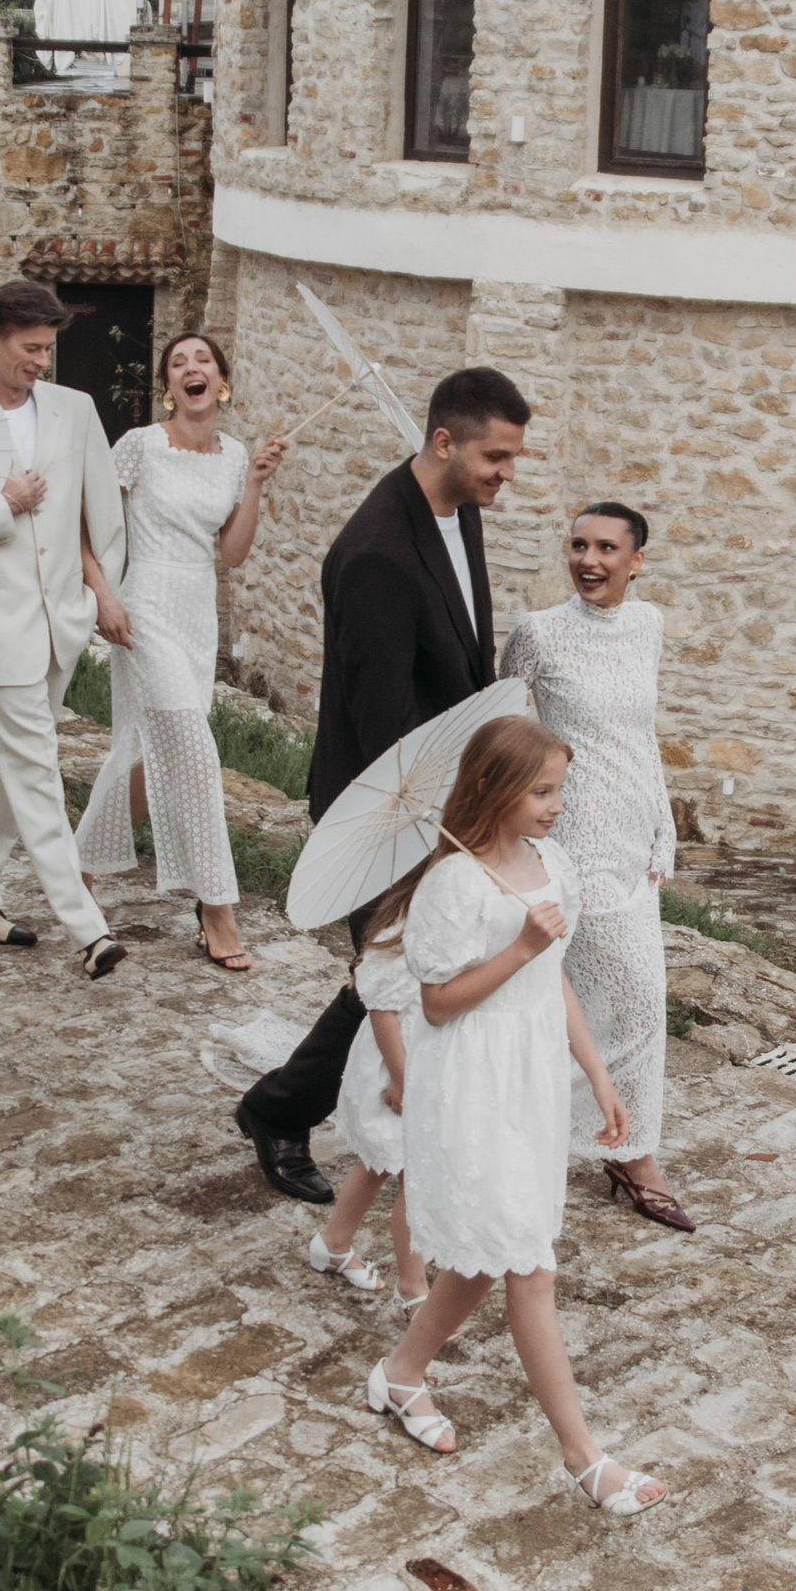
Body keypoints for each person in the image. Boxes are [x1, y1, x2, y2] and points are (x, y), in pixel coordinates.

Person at [233, 364, 531, 1202]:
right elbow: (381, 730)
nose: (507, 474)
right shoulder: (375, 556)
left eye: (513, 457)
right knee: (394, 976)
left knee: (398, 973)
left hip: (444, 792)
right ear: (443, 442)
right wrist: (448, 831)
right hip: (387, 807)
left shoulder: (459, 509)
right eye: (497, 457)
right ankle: (282, 1112)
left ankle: (316, 1109)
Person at [370, 715, 662, 1516]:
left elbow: (555, 979)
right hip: (474, 1081)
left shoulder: (549, 863)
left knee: (487, 1250)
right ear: (492, 788)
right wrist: (521, 947)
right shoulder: (454, 884)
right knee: (529, 1265)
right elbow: (438, 1003)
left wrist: (597, 1073)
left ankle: (401, 1372)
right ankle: (583, 1456)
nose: (555, 805)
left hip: (533, 1077)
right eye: (540, 792)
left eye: (559, 790)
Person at [76, 323, 288, 972]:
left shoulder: (235, 454)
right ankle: (216, 907)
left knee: (143, 755)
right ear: (169, 385)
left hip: (198, 612)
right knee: (195, 751)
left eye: (203, 360)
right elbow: (82, 523)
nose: (191, 367)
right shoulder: (140, 445)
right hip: (143, 603)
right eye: (178, 362)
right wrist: (103, 596)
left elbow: (232, 553)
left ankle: (74, 873)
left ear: (220, 382)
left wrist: (255, 484)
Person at [0, 277, 127, 980]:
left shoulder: (74, 409)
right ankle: (87, 927)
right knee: (37, 765)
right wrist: (3, 505)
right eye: (30, 349)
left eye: (48, 349)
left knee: (2, 760)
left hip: (60, 620)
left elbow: (99, 512)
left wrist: (98, 594)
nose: (42, 361)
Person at [505, 499, 688, 1229]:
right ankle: (619, 1150)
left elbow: (641, 737)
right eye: (579, 545)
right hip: (569, 840)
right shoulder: (537, 633)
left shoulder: (648, 626)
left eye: (607, 549)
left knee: (624, 1002)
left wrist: (664, 827)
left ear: (636, 562)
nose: (589, 560)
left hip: (634, 841)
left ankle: (617, 1143)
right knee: (599, 999)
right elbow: (500, 728)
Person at [311, 923, 430, 1304]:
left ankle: (334, 1241)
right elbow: (382, 1010)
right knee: (416, 1175)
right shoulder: (403, 932)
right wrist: (400, 1078)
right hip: (396, 1064)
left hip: (428, 1059)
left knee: (380, 1161)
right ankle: (413, 1289)